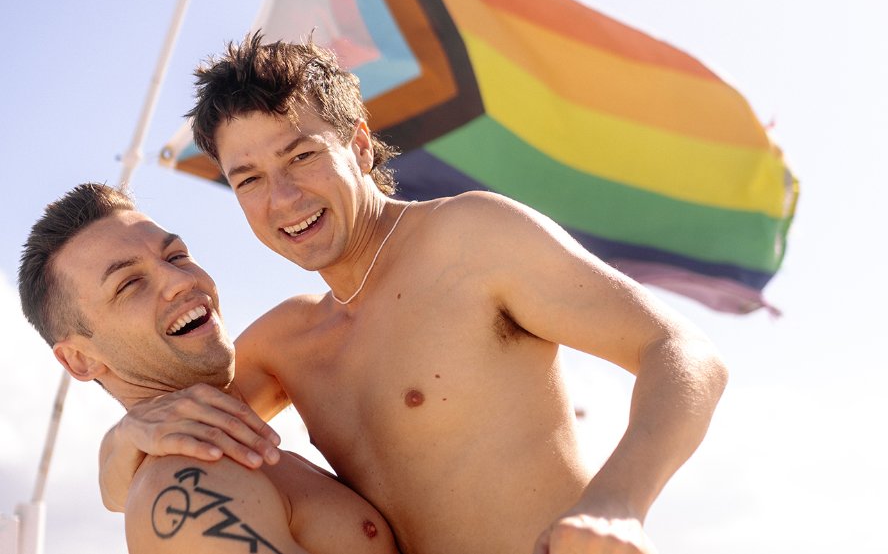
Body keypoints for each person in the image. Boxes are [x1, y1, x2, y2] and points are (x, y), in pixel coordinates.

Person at [101, 32, 729, 554]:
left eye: (300, 157)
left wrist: (619, 502)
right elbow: (146, 470)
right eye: (250, 180)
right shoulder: (283, 346)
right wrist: (122, 438)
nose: (283, 200)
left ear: (357, 142)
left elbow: (681, 350)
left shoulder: (468, 240)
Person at [18, 183, 399, 554]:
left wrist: (122, 439)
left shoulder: (229, 416)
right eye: (130, 284)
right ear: (80, 360)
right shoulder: (185, 491)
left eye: (176, 256)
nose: (181, 281)